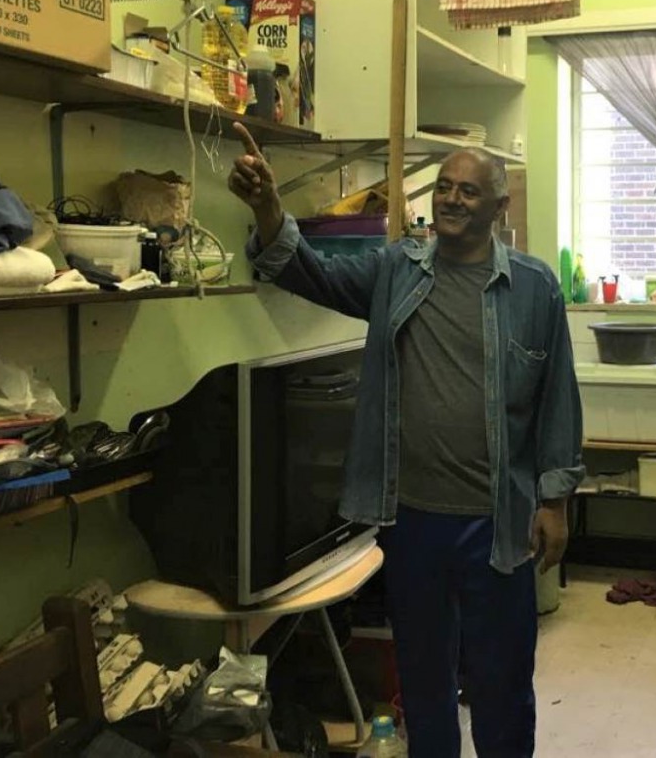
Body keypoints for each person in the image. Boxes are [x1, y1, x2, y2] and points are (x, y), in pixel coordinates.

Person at [228, 122, 584, 758]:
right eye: (444, 187)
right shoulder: (396, 270)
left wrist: (554, 501)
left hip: (498, 521)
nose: (451, 199)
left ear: (500, 208)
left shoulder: (535, 289)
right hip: (412, 518)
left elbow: (558, 400)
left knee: (502, 680)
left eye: (469, 192)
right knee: (423, 680)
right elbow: (307, 272)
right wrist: (267, 208)